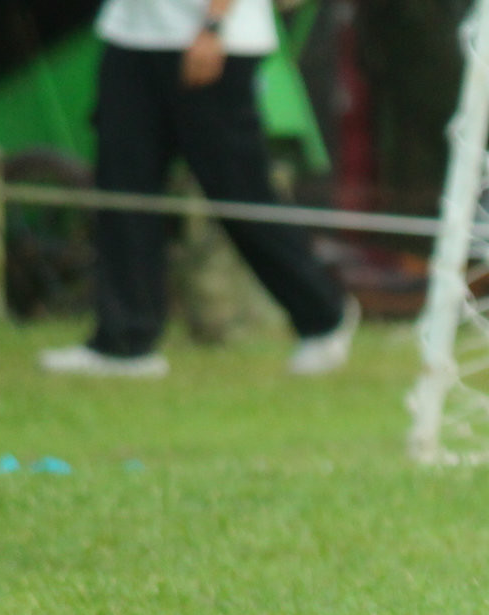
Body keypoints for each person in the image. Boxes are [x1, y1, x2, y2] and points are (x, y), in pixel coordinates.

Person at [39, 0, 356, 379]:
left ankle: (323, 315)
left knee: (237, 189)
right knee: (123, 187)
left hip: (213, 39)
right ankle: (125, 342)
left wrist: (213, 27)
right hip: (129, 33)